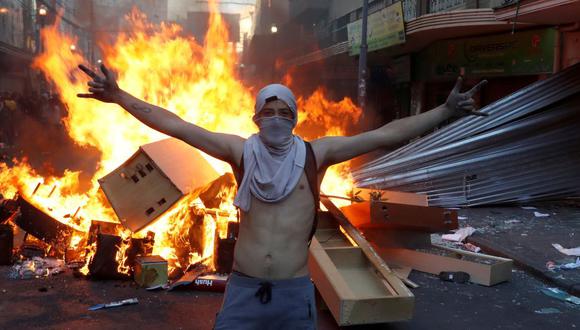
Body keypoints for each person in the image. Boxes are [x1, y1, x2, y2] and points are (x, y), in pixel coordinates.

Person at [78, 63, 487, 329]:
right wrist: (120, 97)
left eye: (284, 112)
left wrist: (444, 111)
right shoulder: (241, 152)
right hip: (242, 291)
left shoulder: (316, 154)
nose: (276, 119)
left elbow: (384, 134)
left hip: (293, 296)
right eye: (268, 112)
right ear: (256, 118)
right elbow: (178, 125)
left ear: (295, 118)